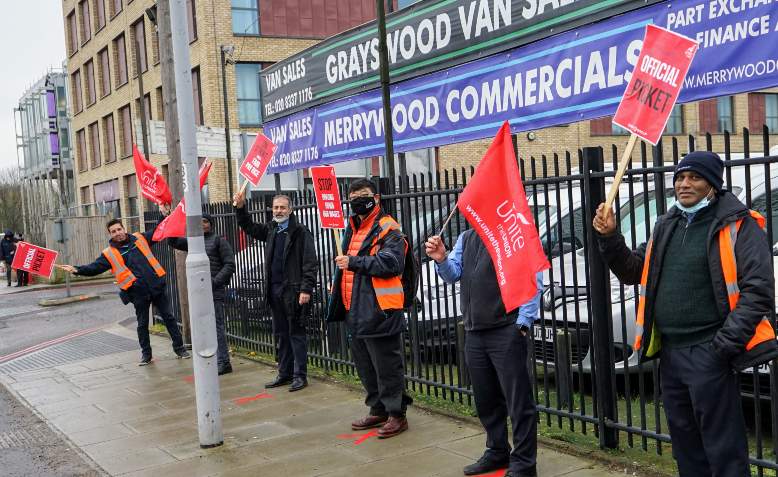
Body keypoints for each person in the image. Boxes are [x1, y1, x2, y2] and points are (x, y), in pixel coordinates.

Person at [592, 151, 778, 477]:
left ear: (713, 184)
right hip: (672, 354)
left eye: (694, 177)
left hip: (711, 351)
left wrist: (723, 346)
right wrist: (610, 238)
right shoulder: (668, 224)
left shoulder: (739, 225)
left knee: (724, 450)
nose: (684, 184)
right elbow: (635, 270)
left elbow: (758, 291)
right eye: (680, 178)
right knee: (686, 447)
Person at [426, 232, 542, 477]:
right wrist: (441, 259)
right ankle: (497, 450)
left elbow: (532, 277)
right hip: (475, 331)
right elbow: (453, 273)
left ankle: (524, 463)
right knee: (486, 398)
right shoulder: (467, 237)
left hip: (506, 329)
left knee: (518, 401)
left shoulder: (514, 234)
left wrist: (523, 324)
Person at [326, 178, 413, 439]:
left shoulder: (389, 228)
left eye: (362, 195)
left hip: (380, 310)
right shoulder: (351, 228)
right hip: (355, 308)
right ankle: (378, 408)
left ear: (376, 198)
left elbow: (391, 263)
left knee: (387, 365)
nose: (357, 201)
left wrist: (352, 261)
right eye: (352, 197)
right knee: (366, 364)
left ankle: (397, 414)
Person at [60, 216, 191, 365]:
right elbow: (94, 268)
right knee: (142, 324)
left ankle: (180, 349)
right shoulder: (109, 254)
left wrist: (163, 215)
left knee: (169, 318)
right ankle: (146, 356)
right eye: (113, 231)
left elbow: (158, 231)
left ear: (124, 229)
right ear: (110, 234)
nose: (117, 233)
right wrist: (76, 270)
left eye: (119, 229)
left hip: (156, 287)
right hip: (137, 293)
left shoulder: (140, 238)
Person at [232, 190, 317, 392]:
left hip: (294, 292)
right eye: (276, 207)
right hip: (274, 291)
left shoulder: (300, 232)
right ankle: (284, 373)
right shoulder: (272, 229)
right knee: (281, 334)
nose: (278, 211)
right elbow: (249, 227)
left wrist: (306, 289)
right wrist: (241, 208)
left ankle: (300, 376)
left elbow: (310, 263)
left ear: (290, 209)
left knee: (296, 334)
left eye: (282, 207)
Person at [167, 213, 236, 375]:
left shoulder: (219, 241)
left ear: (210, 224)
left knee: (217, 327)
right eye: (199, 222)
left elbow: (229, 264)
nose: (202, 224)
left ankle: (224, 362)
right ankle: (211, 358)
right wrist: (172, 222)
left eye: (205, 221)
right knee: (204, 326)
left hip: (214, 291)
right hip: (198, 292)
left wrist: (214, 282)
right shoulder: (193, 243)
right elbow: (173, 242)